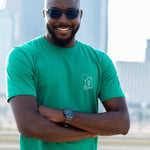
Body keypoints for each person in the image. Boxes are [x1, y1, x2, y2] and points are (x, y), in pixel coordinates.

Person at [6, 0, 130, 150]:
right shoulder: (23, 56)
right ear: (44, 14)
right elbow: (29, 126)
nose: (63, 19)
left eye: (71, 12)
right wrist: (89, 132)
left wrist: (65, 115)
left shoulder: (100, 61)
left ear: (80, 15)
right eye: (55, 12)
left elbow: (122, 123)